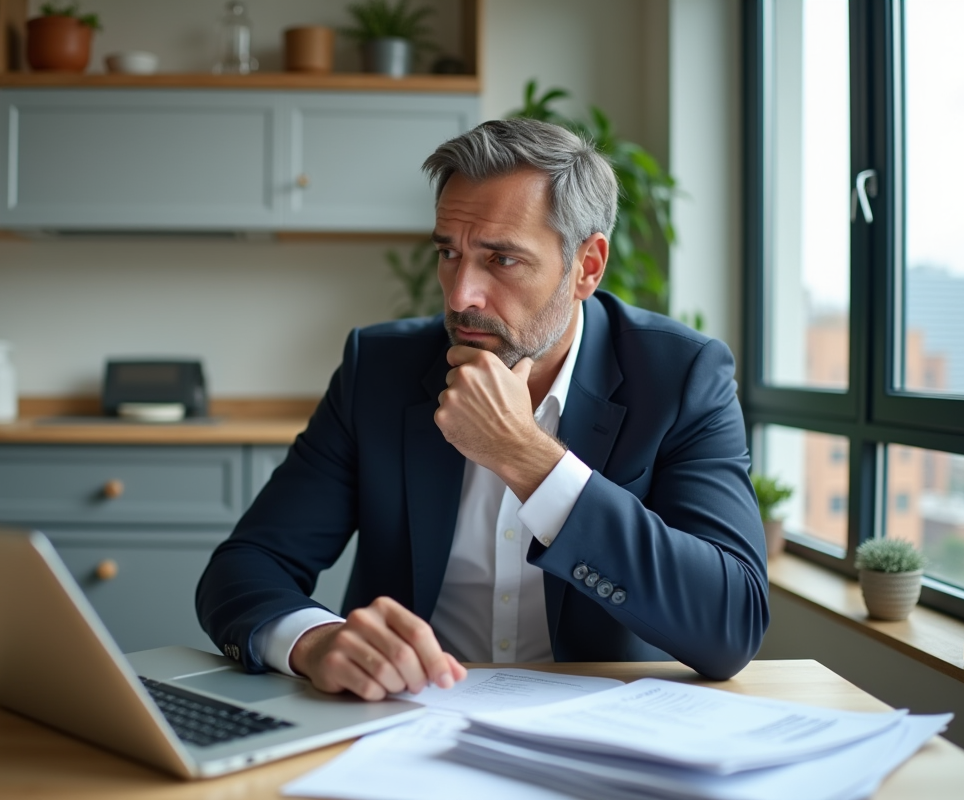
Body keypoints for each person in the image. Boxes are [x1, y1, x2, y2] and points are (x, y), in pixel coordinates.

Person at [197, 118, 768, 701]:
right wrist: (313, 641)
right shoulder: (380, 370)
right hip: (405, 720)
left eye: (502, 260)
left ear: (587, 266)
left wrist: (528, 457)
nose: (459, 294)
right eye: (449, 252)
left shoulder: (678, 377)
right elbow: (246, 565)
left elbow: (732, 623)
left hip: (596, 725)